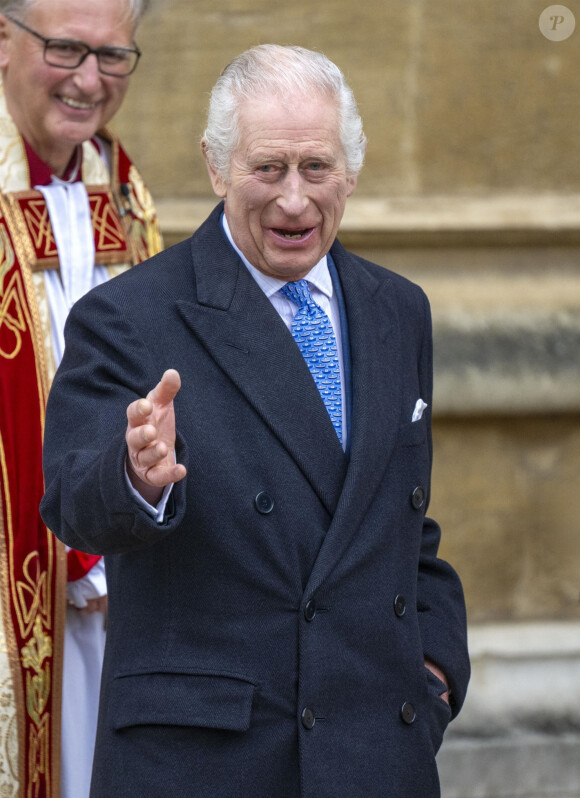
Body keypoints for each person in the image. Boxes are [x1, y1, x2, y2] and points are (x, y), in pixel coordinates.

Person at [40, 44, 470, 798]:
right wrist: (135, 475)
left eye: (317, 168)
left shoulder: (398, 310)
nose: (295, 200)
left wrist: (434, 667)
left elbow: (402, 528)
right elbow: (73, 505)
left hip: (375, 752)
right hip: (210, 762)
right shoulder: (128, 316)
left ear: (353, 170)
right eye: (267, 168)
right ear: (216, 167)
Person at [0, 0, 161, 794]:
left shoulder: (122, 185)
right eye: (66, 50)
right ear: (2, 38)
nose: (90, 81)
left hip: (109, 580)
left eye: (114, 56)